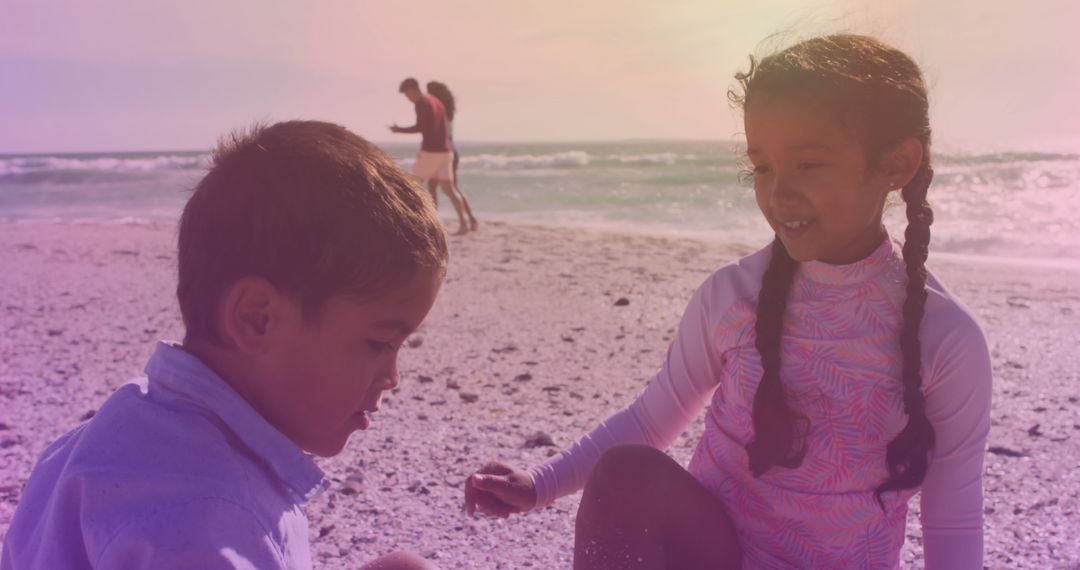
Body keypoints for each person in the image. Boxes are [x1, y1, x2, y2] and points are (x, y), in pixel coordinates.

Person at [463, 34, 992, 569]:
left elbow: (952, 520)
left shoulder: (945, 339)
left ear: (896, 165)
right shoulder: (733, 296)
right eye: (762, 167)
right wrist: (539, 484)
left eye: (808, 164)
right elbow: (651, 421)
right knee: (626, 473)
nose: (778, 192)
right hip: (715, 556)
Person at [1, 121, 447, 570]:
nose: (392, 377)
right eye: (379, 343)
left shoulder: (125, 428)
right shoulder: (199, 519)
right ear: (256, 319)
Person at [390, 77, 474, 235]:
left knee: (411, 186)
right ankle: (464, 225)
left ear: (412, 89)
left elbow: (421, 127)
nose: (408, 99)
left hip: (431, 151)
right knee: (450, 190)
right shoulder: (437, 101)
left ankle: (414, 223)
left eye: (407, 95)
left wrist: (398, 130)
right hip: (446, 151)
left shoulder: (421, 103)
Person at [426, 80, 479, 232]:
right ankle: (471, 220)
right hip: (453, 150)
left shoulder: (437, 110)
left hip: (441, 151)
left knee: (434, 187)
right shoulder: (448, 110)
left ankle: (434, 223)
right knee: (451, 188)